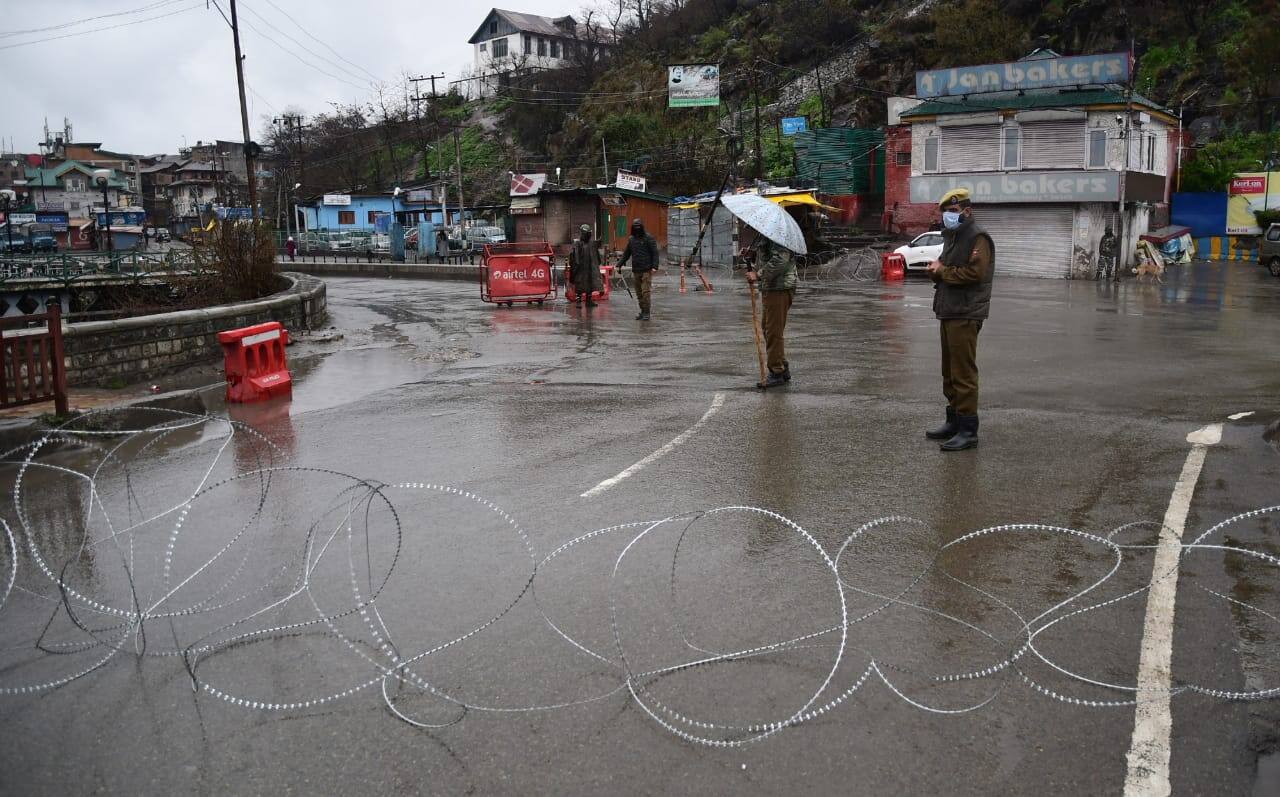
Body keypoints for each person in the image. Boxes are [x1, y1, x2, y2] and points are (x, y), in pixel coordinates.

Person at [924, 188, 995, 452]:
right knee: (949, 371)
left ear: (967, 211)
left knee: (963, 372)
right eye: (945, 212)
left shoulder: (978, 237)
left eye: (952, 211)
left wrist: (943, 271)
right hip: (949, 310)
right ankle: (953, 421)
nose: (947, 216)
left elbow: (975, 273)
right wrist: (936, 271)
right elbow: (946, 268)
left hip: (966, 312)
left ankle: (968, 430)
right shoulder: (952, 237)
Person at [745, 236, 797, 389]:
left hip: (780, 288)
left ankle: (777, 372)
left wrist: (758, 275)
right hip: (771, 287)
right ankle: (781, 365)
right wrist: (753, 255)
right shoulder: (766, 233)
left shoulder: (779, 235)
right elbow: (768, 256)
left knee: (773, 331)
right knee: (768, 329)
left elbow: (781, 260)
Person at [616, 218, 660, 320]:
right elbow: (626, 254)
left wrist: (655, 266)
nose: (637, 229)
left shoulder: (648, 238)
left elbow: (655, 253)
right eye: (635, 227)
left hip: (646, 270)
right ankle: (643, 311)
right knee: (639, 293)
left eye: (638, 227)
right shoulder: (631, 240)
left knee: (645, 292)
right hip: (636, 270)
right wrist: (619, 264)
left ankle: (646, 313)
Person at [569, 224, 603, 307]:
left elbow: (597, 257)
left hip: (589, 268)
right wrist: (575, 266)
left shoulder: (591, 244)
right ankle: (578, 301)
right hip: (580, 268)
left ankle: (589, 300)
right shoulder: (578, 244)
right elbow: (573, 257)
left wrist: (596, 264)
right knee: (580, 284)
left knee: (590, 283)